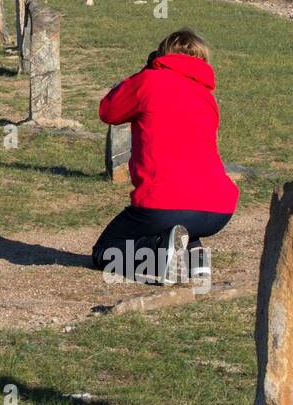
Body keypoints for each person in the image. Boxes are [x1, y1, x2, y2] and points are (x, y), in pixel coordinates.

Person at [91, 28, 238, 284]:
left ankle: (161, 259)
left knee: (106, 250)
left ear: (161, 55)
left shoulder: (150, 81)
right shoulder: (207, 96)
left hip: (163, 204)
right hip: (219, 209)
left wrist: (143, 72)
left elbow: (109, 110)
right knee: (179, 223)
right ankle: (194, 255)